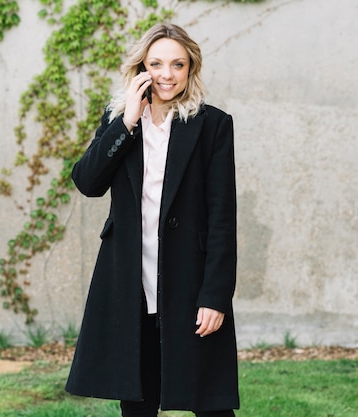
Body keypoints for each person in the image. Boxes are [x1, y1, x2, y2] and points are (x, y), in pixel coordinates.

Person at [65, 23, 239, 417]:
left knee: (211, 403)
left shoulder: (212, 125)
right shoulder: (119, 121)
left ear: (190, 68)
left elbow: (223, 218)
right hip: (131, 281)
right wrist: (126, 121)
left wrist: (216, 295)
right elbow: (87, 182)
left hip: (189, 282)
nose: (166, 74)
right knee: (138, 402)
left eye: (177, 64)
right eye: (157, 63)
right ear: (142, 66)